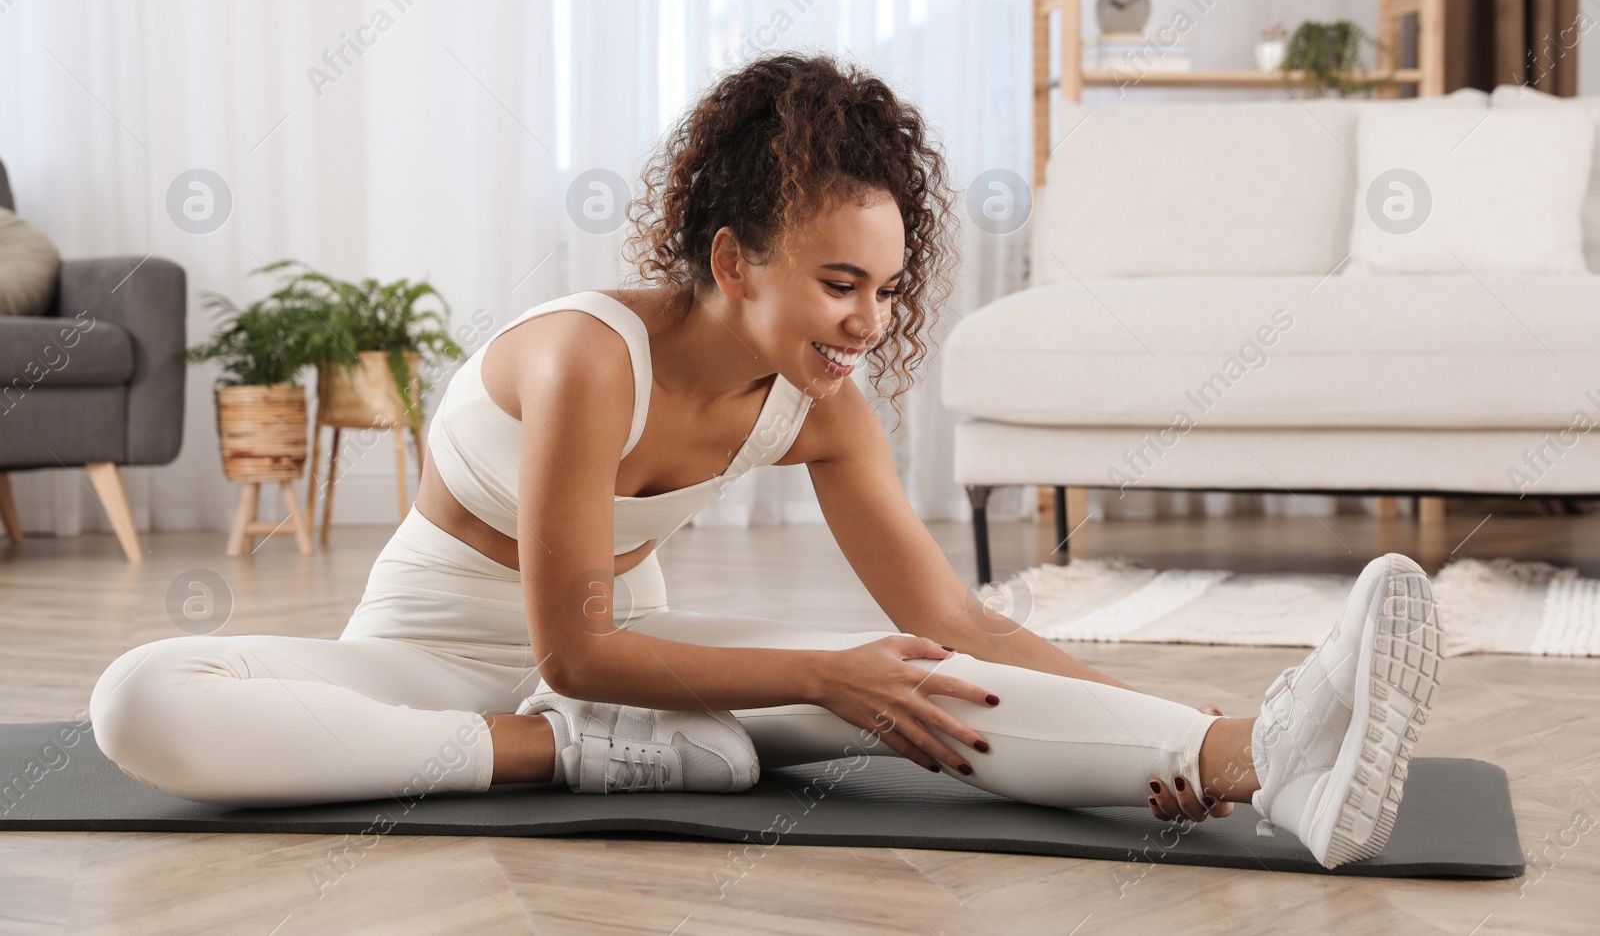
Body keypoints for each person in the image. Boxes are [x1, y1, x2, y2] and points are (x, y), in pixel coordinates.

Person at [89, 53, 1442, 870]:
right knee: (141, 704)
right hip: (450, 662)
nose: (867, 325)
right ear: (732, 259)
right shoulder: (583, 358)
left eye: (888, 292)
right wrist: (809, 674)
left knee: (918, 684)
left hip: (650, 684)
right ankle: (554, 762)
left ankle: (1263, 756)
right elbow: (573, 652)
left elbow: (956, 621)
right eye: (837, 284)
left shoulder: (822, 399)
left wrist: (1144, 714)